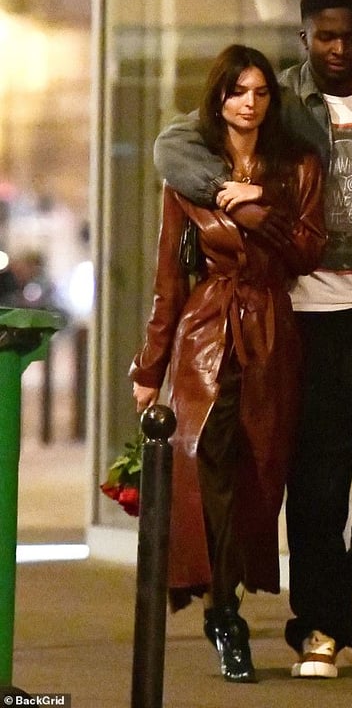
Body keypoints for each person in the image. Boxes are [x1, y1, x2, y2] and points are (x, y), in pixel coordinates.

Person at [153, 0, 352, 680]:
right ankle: (319, 626)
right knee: (318, 478)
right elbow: (173, 145)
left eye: (349, 35)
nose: (338, 48)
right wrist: (227, 192)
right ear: (304, 37)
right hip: (305, 317)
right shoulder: (279, 99)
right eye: (325, 36)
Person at [129, 44, 325, 684]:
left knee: (259, 477)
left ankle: (226, 598)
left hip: (271, 330)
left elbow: (309, 251)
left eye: (261, 92)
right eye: (237, 91)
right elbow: (168, 279)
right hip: (206, 333)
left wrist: (257, 206)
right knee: (203, 465)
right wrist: (149, 368)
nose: (249, 103)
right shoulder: (191, 176)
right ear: (218, 98)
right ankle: (225, 616)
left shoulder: (296, 166)